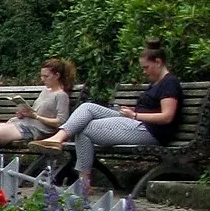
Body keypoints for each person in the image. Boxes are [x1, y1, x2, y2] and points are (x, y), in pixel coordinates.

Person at [35, 43, 182, 187]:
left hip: (150, 131)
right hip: (136, 122)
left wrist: (135, 115)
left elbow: (167, 116)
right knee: (87, 107)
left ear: (158, 62)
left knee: (84, 129)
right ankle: (58, 139)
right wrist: (131, 113)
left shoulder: (169, 83)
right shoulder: (156, 83)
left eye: (146, 67)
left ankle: (83, 183)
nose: (144, 71)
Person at [0, 58, 74, 168]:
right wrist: (25, 112)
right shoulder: (45, 91)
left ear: (57, 75)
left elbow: (61, 122)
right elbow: (35, 112)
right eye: (41, 76)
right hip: (23, 123)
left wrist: (36, 117)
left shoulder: (61, 95)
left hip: (34, 130)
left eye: (46, 76)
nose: (42, 79)